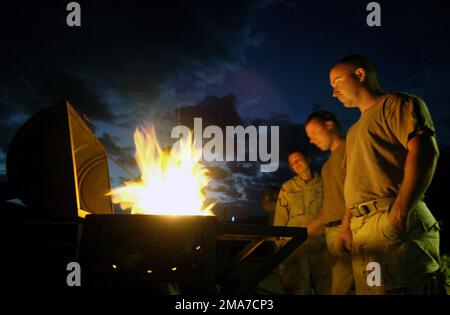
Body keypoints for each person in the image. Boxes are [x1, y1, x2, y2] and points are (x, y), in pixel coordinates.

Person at [330, 54, 445, 294]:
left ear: (360, 75)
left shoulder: (398, 105)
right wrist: (346, 226)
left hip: (390, 220)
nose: (334, 92)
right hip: (363, 231)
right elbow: (356, 181)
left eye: (338, 82)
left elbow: (425, 152)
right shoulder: (353, 132)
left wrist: (399, 213)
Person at [305, 110, 354, 295]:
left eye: (314, 133)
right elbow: (329, 205)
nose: (311, 140)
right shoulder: (326, 167)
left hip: (349, 230)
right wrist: (308, 229)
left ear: (330, 125)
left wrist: (347, 226)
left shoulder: (351, 148)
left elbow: (358, 190)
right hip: (333, 233)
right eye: (308, 137)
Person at [274, 151, 330, 294]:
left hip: (322, 248)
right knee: (296, 289)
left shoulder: (325, 184)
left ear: (308, 159)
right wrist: (280, 248)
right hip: (296, 249)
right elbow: (280, 218)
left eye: (298, 159)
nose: (296, 164)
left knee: (326, 289)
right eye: (292, 163)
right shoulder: (288, 188)